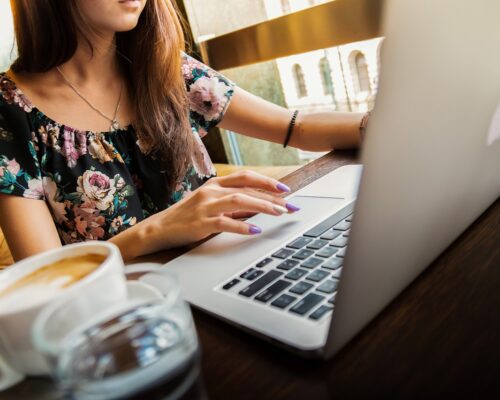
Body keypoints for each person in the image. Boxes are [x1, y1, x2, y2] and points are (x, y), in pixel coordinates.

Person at [0, 0, 365, 263]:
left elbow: (294, 127)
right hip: (125, 320)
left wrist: (382, 123)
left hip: (226, 267)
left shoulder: (164, 67)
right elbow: (44, 277)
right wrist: (157, 231)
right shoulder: (10, 109)